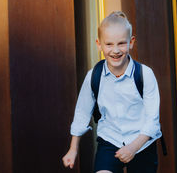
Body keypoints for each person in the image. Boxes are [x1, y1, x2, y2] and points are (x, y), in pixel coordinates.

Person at [62, 11, 162, 173]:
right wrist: (73, 149)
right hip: (110, 140)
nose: (115, 50)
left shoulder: (145, 74)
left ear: (131, 42)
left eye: (121, 43)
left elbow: (153, 121)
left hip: (142, 143)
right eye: (109, 44)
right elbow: (82, 112)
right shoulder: (94, 76)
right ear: (99, 44)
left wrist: (133, 148)